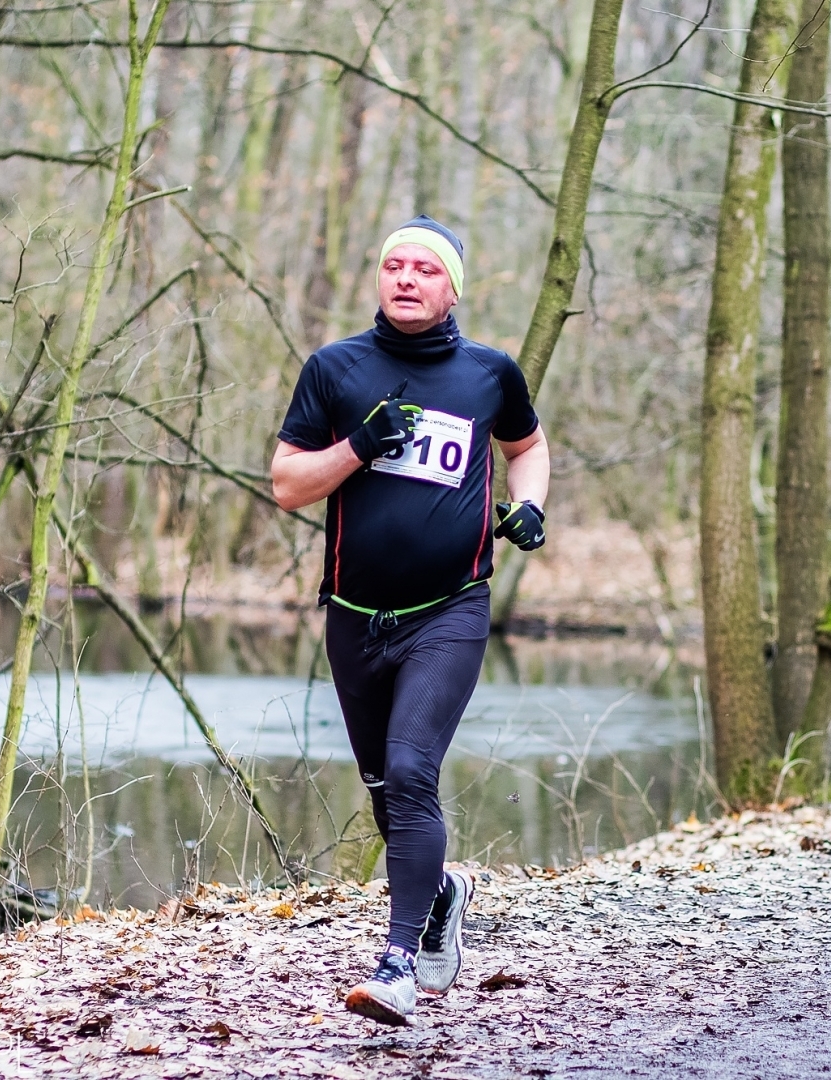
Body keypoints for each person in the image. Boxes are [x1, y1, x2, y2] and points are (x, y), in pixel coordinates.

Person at [270, 215, 550, 1023]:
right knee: (385, 792)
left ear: (452, 287)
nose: (405, 278)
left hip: (449, 611)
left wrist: (528, 506)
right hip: (355, 619)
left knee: (412, 772)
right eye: (392, 264)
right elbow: (289, 484)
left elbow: (528, 447)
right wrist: (358, 445)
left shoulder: (489, 375)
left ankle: (396, 966)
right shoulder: (335, 369)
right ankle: (443, 893)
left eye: (424, 269)